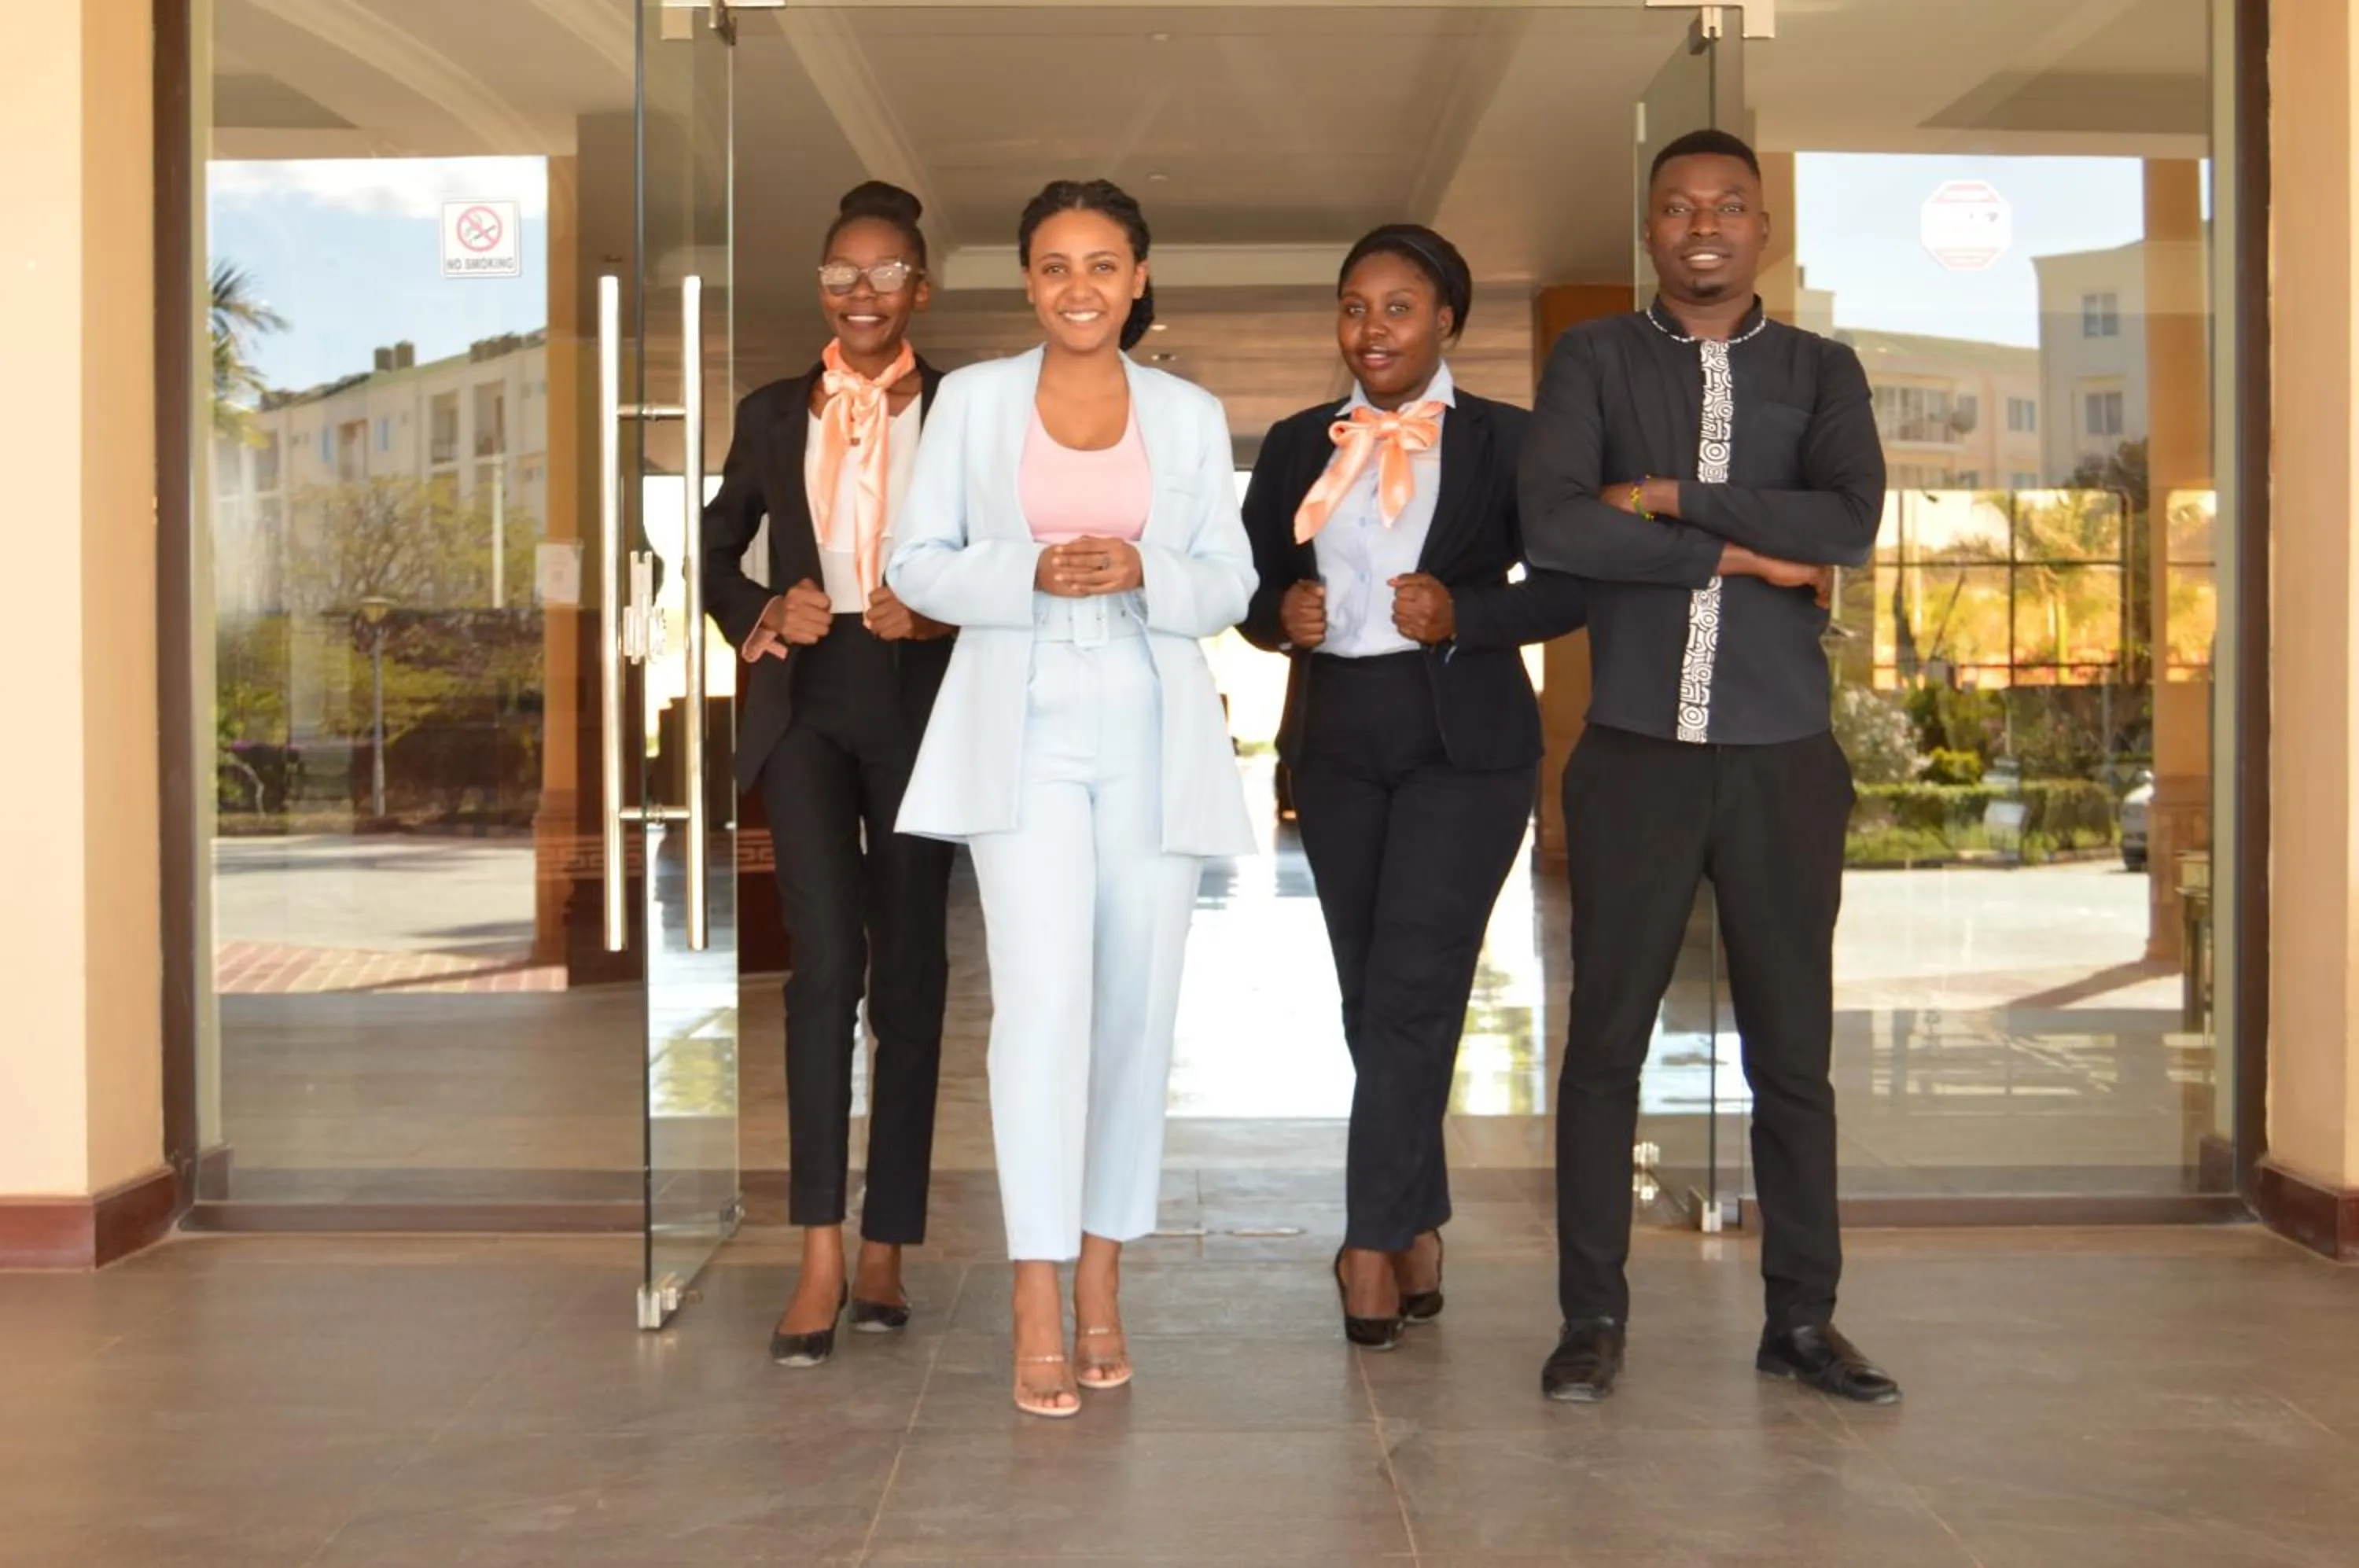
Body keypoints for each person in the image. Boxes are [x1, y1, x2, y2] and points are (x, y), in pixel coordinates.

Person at [1518, 128, 1900, 1405]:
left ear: (1763, 230)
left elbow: (1845, 520)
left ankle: (1803, 1319)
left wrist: (1672, 499)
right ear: (1649, 229)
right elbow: (1558, 522)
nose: (1702, 225)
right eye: (1677, 206)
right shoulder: (1594, 357)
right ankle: (1592, 1319)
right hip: (1634, 750)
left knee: (1792, 1053)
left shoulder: (1821, 369)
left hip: (1784, 751)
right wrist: (1742, 553)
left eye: (1728, 206)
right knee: (1604, 1047)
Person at [887, 179, 1257, 1418]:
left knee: (1135, 1012)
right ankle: (1034, 1287)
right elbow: (914, 564)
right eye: (1055, 266)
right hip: (1021, 719)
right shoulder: (975, 402)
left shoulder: (1192, 414)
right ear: (1028, 282)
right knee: (1040, 1009)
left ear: (1140, 276)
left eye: (1103, 264)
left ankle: (1105, 1275)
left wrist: (1144, 567)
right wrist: (1030, 568)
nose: (1080, 287)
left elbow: (1233, 581)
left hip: (1151, 725)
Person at [1239, 225, 1585, 1351]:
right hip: (1337, 740)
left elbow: (1574, 586)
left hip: (1464, 745)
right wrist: (1275, 619)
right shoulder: (1299, 443)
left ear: (1446, 320)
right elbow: (1252, 581)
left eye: (1397, 306)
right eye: (1354, 306)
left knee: (1410, 991)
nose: (1372, 327)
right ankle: (1421, 1218)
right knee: (1367, 995)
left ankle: (1370, 1244)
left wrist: (1468, 613)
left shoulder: (1510, 442)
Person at [701, 181, 956, 1368]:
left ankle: (887, 1241)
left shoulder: (964, 410)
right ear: (823, 288)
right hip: (805, 705)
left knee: (911, 973)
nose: (862, 294)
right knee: (823, 975)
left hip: (919, 700)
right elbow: (707, 546)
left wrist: (940, 610)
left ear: (920, 286)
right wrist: (765, 605)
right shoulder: (765, 412)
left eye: (885, 273)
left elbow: (1006, 549)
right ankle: (815, 1246)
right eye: (841, 275)